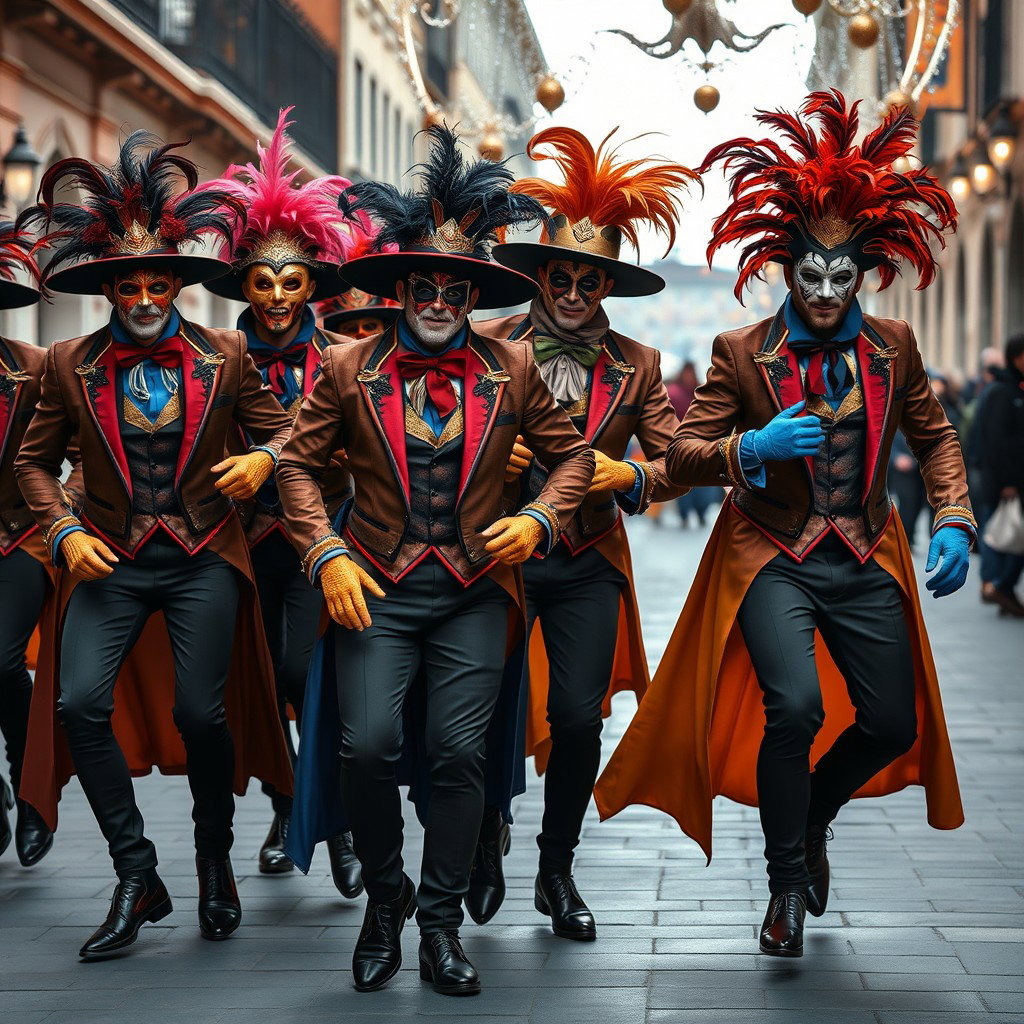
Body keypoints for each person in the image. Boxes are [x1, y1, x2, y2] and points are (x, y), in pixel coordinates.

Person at [595, 91, 974, 959]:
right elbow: (685, 454)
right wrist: (749, 447)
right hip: (769, 552)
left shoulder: (896, 346)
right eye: (814, 275)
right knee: (793, 709)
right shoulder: (739, 353)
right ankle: (784, 888)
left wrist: (952, 514)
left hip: (865, 549)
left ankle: (813, 822)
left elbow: (935, 433)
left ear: (867, 269)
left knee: (891, 724)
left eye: (845, 277)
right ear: (786, 267)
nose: (830, 291)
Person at [275, 124, 594, 995]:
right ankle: (387, 897)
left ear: (471, 293)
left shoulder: (514, 366)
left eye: (456, 287)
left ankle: (440, 924)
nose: (441, 299)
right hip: (373, 584)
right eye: (427, 284)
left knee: (458, 756)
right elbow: (296, 466)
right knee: (367, 747)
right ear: (404, 285)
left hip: (475, 591)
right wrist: (326, 552)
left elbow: (572, 458)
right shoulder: (346, 366)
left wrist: (538, 519)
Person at [15, 134, 294, 960]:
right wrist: (62, 531)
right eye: (128, 284)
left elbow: (291, 436)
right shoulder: (69, 363)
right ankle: (137, 872)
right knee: (75, 705)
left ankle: (215, 859)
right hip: (111, 555)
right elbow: (34, 462)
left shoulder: (229, 354)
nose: (142, 295)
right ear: (111, 289)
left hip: (205, 553)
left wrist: (262, 458)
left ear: (177, 283)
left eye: (156, 282)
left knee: (201, 713)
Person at [468, 126, 696, 938]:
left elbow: (675, 460)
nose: (572, 291)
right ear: (539, 276)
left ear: (606, 284)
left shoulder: (638, 363)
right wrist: (496, 456)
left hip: (590, 557)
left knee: (576, 717)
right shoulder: (488, 346)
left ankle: (556, 869)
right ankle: (482, 836)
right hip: (497, 553)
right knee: (483, 705)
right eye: (559, 276)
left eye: (587, 279)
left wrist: (627, 475)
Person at [199, 108, 362, 894]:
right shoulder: (213, 358)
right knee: (254, 681)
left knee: (306, 669)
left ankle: (332, 819)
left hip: (323, 536)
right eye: (261, 281)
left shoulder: (342, 358)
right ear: (244, 284)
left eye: (290, 281)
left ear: (312, 284)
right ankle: (285, 804)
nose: (274, 296)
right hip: (234, 541)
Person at [0, 221, 55, 867]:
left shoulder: (32, 368)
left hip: (17, 539)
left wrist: (60, 519)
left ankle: (27, 784)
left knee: (3, 660)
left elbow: (76, 450)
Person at [977, 333, 1024, 617]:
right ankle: (996, 584)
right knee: (1000, 533)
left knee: (1011, 534)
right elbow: (995, 441)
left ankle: (1002, 588)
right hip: (1004, 482)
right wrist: (1007, 482)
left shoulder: (1017, 389)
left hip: (1016, 480)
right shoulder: (1001, 391)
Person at [669, 362, 724, 527]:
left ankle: (701, 513)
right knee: (682, 482)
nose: (689, 376)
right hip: (677, 444)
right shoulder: (673, 392)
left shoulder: (700, 392)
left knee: (702, 484)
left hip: (701, 444)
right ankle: (684, 515)